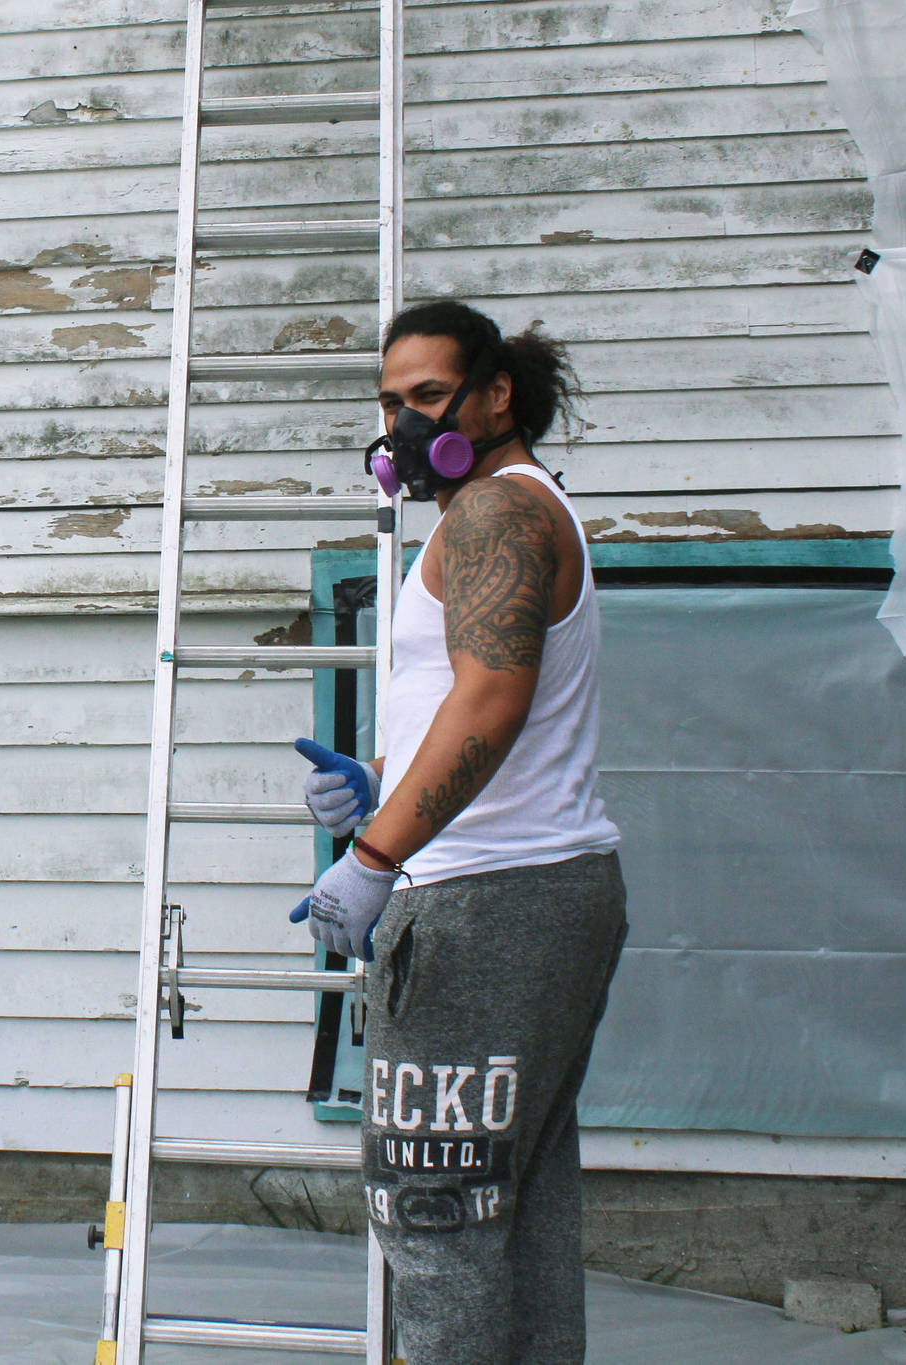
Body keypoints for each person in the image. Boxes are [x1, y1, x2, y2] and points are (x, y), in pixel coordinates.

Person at [287, 302, 627, 1363]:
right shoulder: (504, 510)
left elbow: (488, 703)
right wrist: (379, 784)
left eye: (424, 398)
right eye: (388, 402)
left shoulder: (490, 516)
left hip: (485, 903)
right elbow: (463, 704)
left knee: (430, 1211)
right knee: (509, 1212)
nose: (399, 426)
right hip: (540, 890)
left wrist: (376, 854)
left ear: (493, 397)